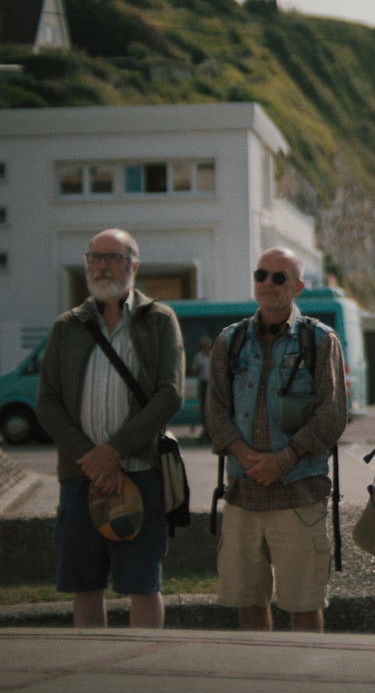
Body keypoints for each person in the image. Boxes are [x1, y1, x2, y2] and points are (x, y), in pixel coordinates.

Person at [36, 228, 184, 629]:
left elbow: (169, 395)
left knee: (142, 585)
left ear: (133, 266)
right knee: (85, 585)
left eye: (112, 258)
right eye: (95, 258)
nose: (102, 266)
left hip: (140, 474)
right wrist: (93, 459)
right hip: (80, 476)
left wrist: (113, 451)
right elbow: (46, 401)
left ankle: (144, 677)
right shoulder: (67, 326)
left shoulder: (159, 320)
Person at [205, 247, 347, 632]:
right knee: (248, 604)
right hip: (243, 494)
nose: (267, 283)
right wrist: (243, 452)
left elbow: (332, 415)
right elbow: (215, 411)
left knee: (304, 605)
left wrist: (282, 460)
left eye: (279, 277)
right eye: (261, 275)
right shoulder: (230, 341)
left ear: (298, 286)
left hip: (299, 496)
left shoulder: (319, 340)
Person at [189, 336, 212, 440]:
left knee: (211, 407)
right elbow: (194, 372)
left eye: (207, 345)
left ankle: (211, 431)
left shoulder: (214, 355)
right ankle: (205, 430)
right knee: (204, 408)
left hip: (212, 383)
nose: (205, 347)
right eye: (204, 345)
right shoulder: (198, 357)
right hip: (203, 383)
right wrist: (198, 368)